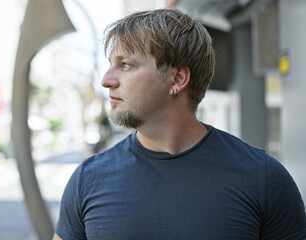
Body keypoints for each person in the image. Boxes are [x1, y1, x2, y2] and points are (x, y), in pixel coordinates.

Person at [54, 8, 306, 239]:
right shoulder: (87, 180)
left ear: (177, 79)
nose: (107, 80)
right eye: (111, 65)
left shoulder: (263, 179)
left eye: (126, 65)